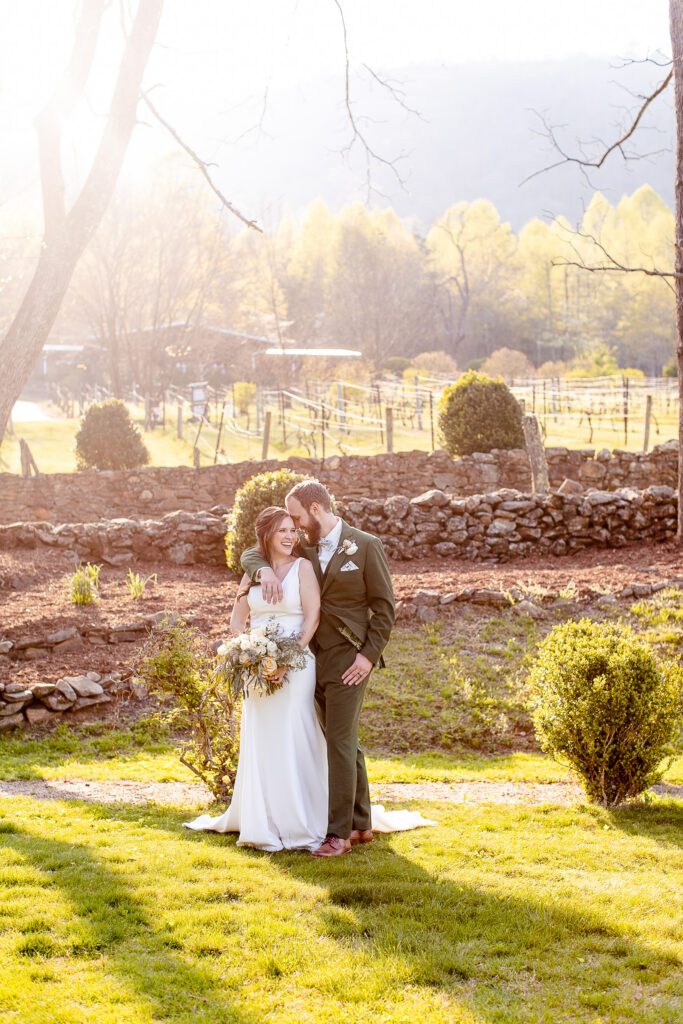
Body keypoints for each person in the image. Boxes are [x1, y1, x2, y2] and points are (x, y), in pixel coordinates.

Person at [241, 480, 399, 858]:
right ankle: (362, 825)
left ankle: (338, 835)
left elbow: (385, 608)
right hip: (312, 660)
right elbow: (252, 551)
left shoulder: (365, 545)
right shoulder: (306, 551)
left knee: (340, 741)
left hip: (349, 660)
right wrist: (262, 571)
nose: (293, 527)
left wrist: (368, 656)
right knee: (343, 741)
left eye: (295, 517)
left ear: (314, 510)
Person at [183, 506, 328, 851]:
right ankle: (263, 819)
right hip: (255, 667)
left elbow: (313, 617)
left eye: (293, 530)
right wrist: (248, 653)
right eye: (282, 531)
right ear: (266, 535)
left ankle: (302, 818)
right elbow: (237, 621)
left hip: (296, 664)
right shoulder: (254, 572)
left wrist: (285, 660)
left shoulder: (303, 568)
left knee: (295, 734)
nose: (290, 536)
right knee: (262, 738)